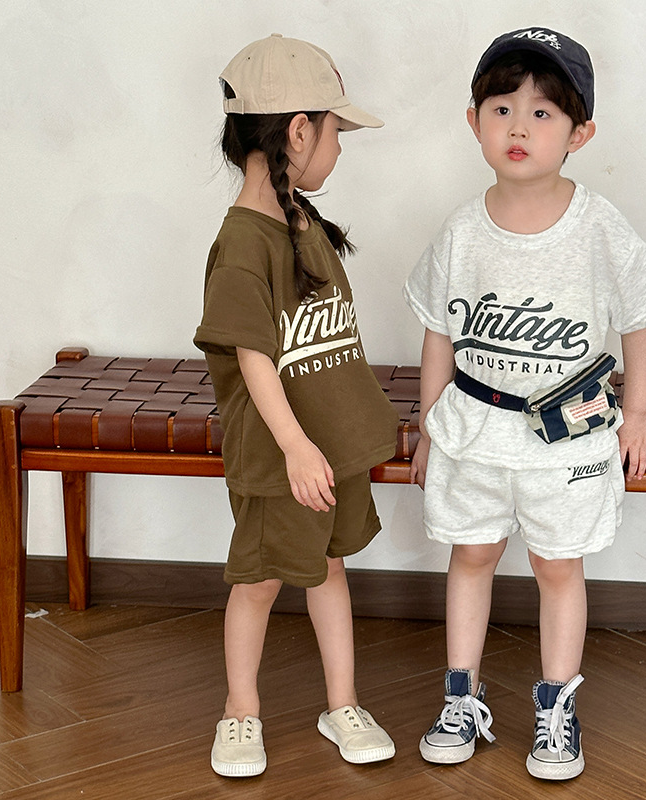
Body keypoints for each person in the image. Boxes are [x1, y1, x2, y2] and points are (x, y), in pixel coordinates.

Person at [404, 27, 646, 781]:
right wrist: (430, 428)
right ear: (474, 121)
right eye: (501, 109)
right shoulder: (462, 229)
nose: (518, 127)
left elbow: (640, 316)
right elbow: (438, 333)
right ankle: (460, 697)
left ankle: (557, 710)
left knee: (558, 567)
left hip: (569, 439)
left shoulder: (597, 225)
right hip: (475, 428)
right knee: (472, 555)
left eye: (542, 113)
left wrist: (639, 413)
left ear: (579, 133)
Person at [194, 34, 399, 777]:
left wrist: (329, 441)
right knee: (258, 582)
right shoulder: (242, 244)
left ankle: (341, 702)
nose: (339, 146)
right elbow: (253, 356)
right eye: (336, 130)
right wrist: (295, 447)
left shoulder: (300, 221)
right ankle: (239, 709)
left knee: (328, 568)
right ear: (300, 131)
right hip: (285, 456)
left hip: (327, 448)